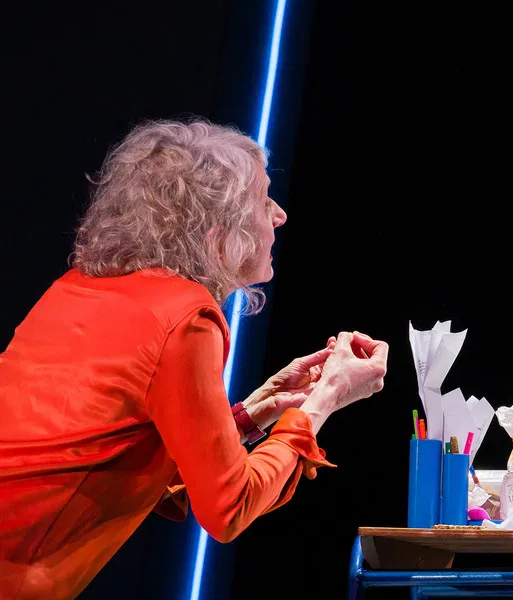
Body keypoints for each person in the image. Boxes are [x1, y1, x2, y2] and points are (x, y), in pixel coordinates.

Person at [0, 118, 390, 599]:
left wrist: (257, 410)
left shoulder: (76, 287)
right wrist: (325, 399)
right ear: (218, 229)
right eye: (263, 199)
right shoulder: (187, 318)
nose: (280, 214)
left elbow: (111, 453)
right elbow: (230, 507)